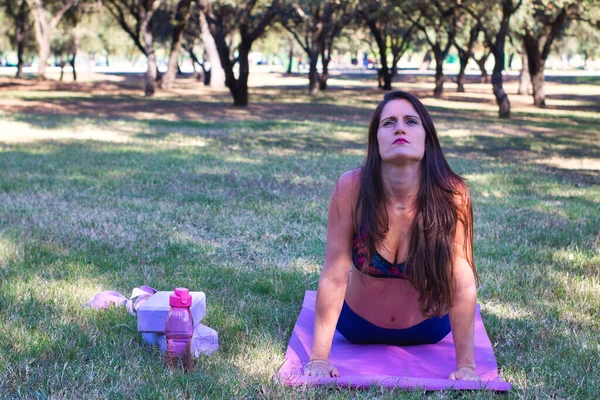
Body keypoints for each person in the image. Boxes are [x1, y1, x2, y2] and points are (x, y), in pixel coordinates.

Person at [304, 91, 479, 381]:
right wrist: (318, 359)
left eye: (411, 121)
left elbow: (461, 280)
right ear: (376, 141)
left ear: (427, 138)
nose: (399, 128)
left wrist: (467, 367)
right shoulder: (351, 188)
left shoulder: (453, 194)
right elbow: (335, 274)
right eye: (389, 123)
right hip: (356, 326)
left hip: (431, 328)